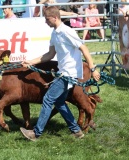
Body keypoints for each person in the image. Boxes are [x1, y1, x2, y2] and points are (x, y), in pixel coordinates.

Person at [20, 6, 100, 141]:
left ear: (55, 17)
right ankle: (76, 131)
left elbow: (83, 48)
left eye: (47, 19)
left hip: (68, 73)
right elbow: (50, 55)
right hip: (62, 72)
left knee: (48, 99)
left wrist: (92, 68)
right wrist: (30, 62)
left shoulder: (66, 32)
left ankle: (36, 133)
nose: (46, 22)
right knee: (59, 102)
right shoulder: (55, 33)